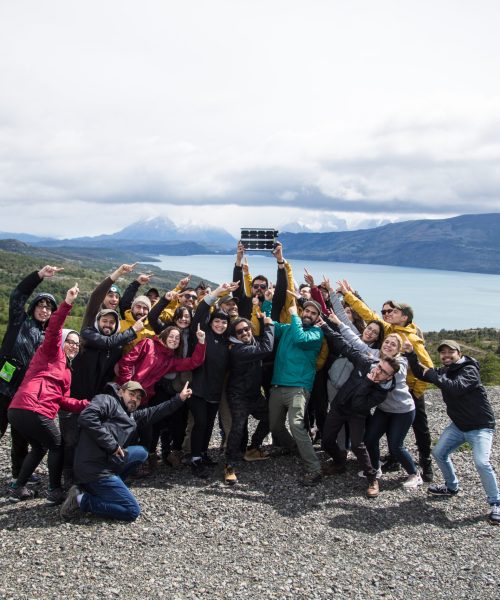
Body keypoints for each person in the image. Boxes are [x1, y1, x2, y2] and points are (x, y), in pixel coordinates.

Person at [339, 281, 434, 481]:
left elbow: (427, 368)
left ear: (404, 317)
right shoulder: (389, 329)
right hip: (387, 389)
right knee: (384, 429)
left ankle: (425, 465)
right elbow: (367, 314)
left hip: (407, 390)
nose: (387, 314)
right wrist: (348, 295)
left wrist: (415, 390)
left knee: (420, 428)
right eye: (385, 312)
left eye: (392, 311)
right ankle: (390, 460)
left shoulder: (413, 340)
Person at [60, 380, 192, 522]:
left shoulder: (131, 416)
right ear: (121, 392)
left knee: (141, 453)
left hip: (106, 463)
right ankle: (80, 499)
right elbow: (86, 417)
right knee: (131, 511)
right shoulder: (107, 400)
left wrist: (179, 398)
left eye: (139, 398)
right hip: (93, 469)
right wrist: (113, 445)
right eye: (131, 394)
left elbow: (155, 411)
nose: (135, 399)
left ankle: (101, 489)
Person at [7, 284, 89, 504]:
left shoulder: (67, 371)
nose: (73, 346)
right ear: (62, 342)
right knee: (57, 445)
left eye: (77, 343)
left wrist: (85, 404)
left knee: (41, 446)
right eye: (69, 341)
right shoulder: (50, 351)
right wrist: (67, 303)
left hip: (20, 410)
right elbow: (53, 328)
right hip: (32, 407)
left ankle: (17, 487)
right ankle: (54, 491)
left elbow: (63, 400)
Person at [404, 339, 499, 525]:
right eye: (443, 353)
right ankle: (451, 486)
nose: (446, 356)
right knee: (439, 453)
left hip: (480, 427)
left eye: (450, 352)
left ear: (459, 353)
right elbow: (421, 374)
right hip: (458, 425)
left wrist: (431, 373)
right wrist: (411, 355)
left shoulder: (470, 370)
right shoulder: (445, 370)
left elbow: (454, 388)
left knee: (481, 463)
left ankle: (496, 503)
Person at [328, 312, 422, 489]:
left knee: (396, 446)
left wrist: (377, 363)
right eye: (387, 342)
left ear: (398, 350)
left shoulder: (400, 363)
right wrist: (340, 324)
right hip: (384, 410)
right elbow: (355, 343)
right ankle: (376, 467)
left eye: (393, 344)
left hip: (402, 411)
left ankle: (414, 473)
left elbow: (390, 373)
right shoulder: (376, 355)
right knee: (370, 439)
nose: (388, 345)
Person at [320, 318, 399, 498]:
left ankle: (372, 478)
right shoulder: (366, 362)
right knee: (326, 440)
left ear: (389, 377)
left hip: (356, 413)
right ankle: (340, 462)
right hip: (339, 405)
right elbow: (345, 346)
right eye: (379, 366)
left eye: (383, 372)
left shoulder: (382, 391)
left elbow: (359, 404)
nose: (378, 371)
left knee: (357, 445)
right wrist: (324, 325)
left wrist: (368, 383)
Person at [0, 265, 60, 483]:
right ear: (34, 307)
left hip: (24, 394)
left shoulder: (49, 336)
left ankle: (19, 473)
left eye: (49, 308)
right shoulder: (19, 321)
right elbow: (18, 295)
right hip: (2, 386)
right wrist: (39, 276)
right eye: (41, 305)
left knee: (20, 437)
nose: (44, 310)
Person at [268, 300, 325, 486]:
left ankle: (314, 468)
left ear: (317, 318)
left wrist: (293, 314)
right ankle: (292, 447)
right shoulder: (289, 328)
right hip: (278, 384)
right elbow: (270, 324)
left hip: (298, 387)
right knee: (274, 426)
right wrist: (267, 302)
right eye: (306, 310)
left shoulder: (317, 333)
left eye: (313, 313)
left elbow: (300, 338)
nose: (308, 314)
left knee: (296, 425)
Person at [224, 315, 274, 484]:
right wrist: (269, 325)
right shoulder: (238, 350)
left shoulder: (251, 342)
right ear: (235, 335)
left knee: (270, 417)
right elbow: (267, 347)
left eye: (247, 329)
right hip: (238, 395)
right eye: (240, 331)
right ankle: (229, 465)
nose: (244, 333)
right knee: (238, 427)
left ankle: (253, 448)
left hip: (253, 394)